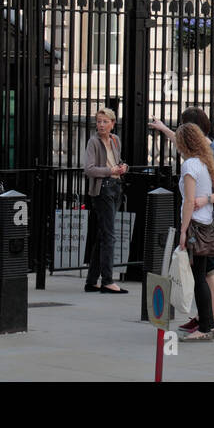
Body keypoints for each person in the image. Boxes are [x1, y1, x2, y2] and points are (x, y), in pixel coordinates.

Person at [151, 108, 214, 318]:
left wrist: (205, 200)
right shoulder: (199, 151)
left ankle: (212, 320)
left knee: (208, 273)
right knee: (203, 273)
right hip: (204, 220)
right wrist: (163, 129)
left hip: (207, 222)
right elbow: (182, 142)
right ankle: (205, 318)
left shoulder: (212, 153)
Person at [177, 122, 214, 341]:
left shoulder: (190, 166)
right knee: (202, 276)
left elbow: (189, 201)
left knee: (198, 278)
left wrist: (183, 231)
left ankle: (205, 326)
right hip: (207, 225)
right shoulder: (206, 163)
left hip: (195, 226)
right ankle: (209, 323)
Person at [82, 107, 128, 294]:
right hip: (102, 189)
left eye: (105, 121)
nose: (101, 125)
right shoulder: (93, 142)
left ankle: (92, 281)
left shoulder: (115, 140)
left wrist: (123, 167)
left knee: (103, 235)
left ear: (112, 123)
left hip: (115, 187)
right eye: (99, 121)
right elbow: (89, 169)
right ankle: (107, 280)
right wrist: (111, 171)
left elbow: (116, 162)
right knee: (109, 235)